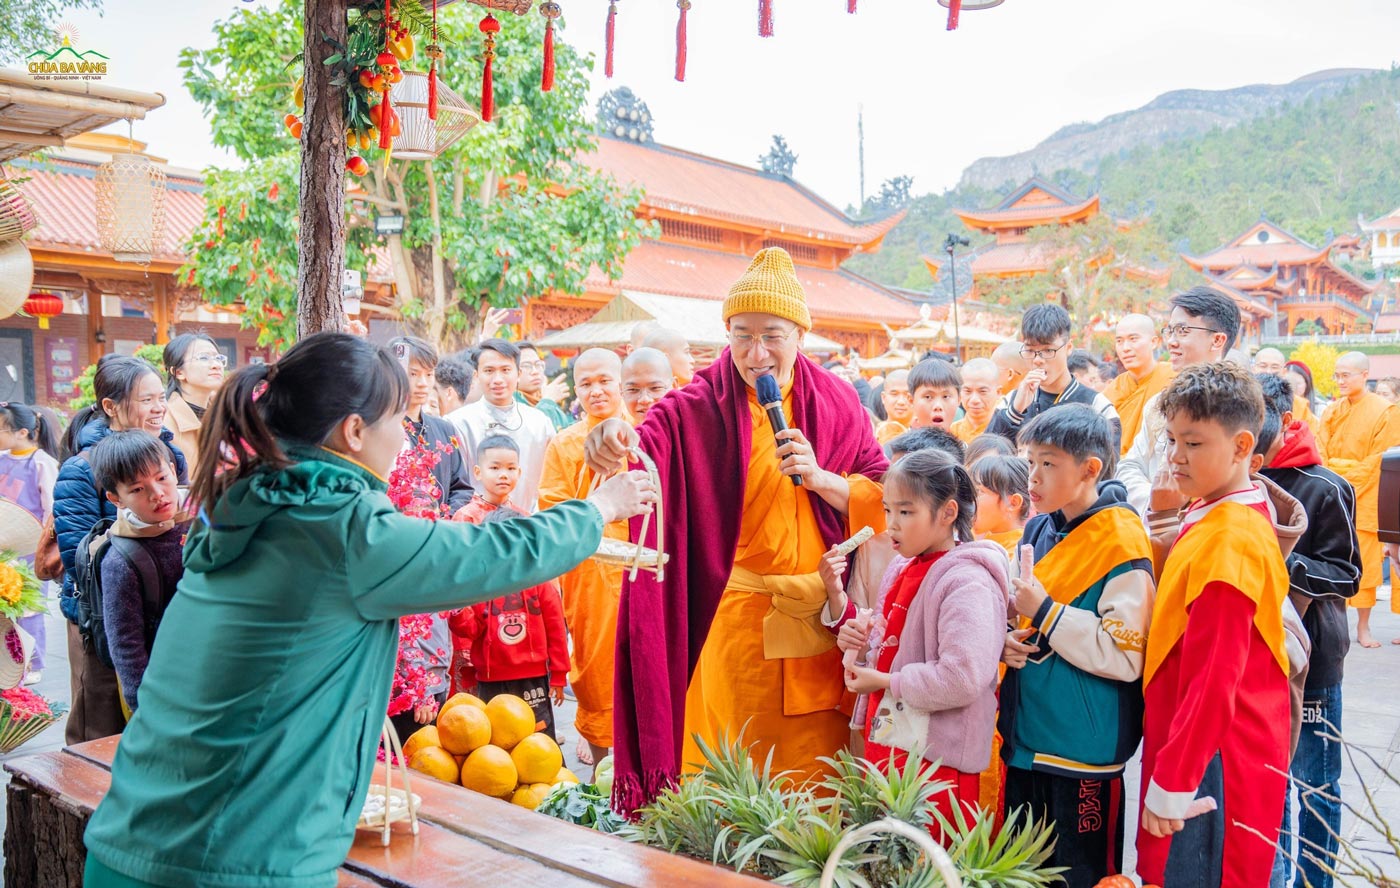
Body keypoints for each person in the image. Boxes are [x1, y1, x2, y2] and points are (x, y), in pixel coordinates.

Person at [82, 332, 655, 888]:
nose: (405, 440)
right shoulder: (337, 527)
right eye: (397, 421)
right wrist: (598, 507)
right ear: (355, 431)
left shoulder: (249, 501)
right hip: (229, 859)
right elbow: (488, 555)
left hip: (134, 839)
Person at [583, 247, 888, 812]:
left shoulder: (840, 403)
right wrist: (611, 442)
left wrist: (822, 479)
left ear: (800, 332)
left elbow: (886, 497)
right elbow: (645, 457)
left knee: (811, 793)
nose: (757, 353)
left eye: (772, 334)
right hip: (733, 624)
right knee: (727, 785)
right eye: (741, 334)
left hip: (819, 623)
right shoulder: (695, 407)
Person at [1135, 363, 1290, 888]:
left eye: (1194, 443)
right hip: (1201, 745)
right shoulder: (1217, 509)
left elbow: (1214, 679)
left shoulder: (1231, 538)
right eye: (1172, 439)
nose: (1175, 456)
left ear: (1242, 445)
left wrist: (1174, 779)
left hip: (1213, 757)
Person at [999, 405, 1154, 887]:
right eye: (1031, 462)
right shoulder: (1039, 527)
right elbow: (1023, 614)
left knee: (1083, 875)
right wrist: (1008, 641)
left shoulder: (1123, 540)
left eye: (1049, 463)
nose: (1034, 477)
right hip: (1027, 738)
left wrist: (1046, 611)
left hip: (1083, 748)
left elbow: (1126, 654)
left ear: (1090, 468)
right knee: (1019, 871)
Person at [831, 451, 1009, 828]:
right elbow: (890, 644)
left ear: (947, 513)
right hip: (892, 745)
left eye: (906, 512)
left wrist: (885, 682)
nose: (891, 525)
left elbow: (962, 677)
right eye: (887, 510)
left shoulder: (967, 581)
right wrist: (860, 644)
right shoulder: (902, 565)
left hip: (936, 763)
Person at [1252, 373, 1360, 888]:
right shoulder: (1236, 480)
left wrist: (1279, 566)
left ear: (1281, 422)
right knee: (1270, 785)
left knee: (1314, 783)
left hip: (1312, 655)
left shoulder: (1325, 486)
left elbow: (1349, 574)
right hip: (1257, 658)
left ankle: (1315, 880)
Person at [54, 356, 187, 745]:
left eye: (160, 397)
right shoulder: (82, 470)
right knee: (100, 727)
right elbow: (80, 560)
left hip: (165, 624)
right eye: (146, 400)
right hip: (103, 615)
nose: (159, 407)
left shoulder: (170, 455)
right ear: (111, 407)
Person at [538, 348, 631, 770]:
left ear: (621, 381)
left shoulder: (646, 433)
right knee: (594, 674)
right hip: (590, 578)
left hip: (645, 568)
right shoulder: (566, 443)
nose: (596, 391)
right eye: (586, 384)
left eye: (605, 381)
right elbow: (552, 510)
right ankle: (598, 776)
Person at [448, 505, 570, 742]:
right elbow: (471, 629)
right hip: (490, 679)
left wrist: (558, 674)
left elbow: (556, 629)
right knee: (494, 740)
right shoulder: (482, 584)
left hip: (532, 676)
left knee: (538, 735)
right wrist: (457, 608)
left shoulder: (540, 581)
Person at [88, 431, 190, 716]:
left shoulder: (207, 517)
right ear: (115, 498)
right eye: (137, 489)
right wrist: (144, 711)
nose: (157, 495)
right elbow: (126, 645)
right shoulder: (120, 561)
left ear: (173, 471)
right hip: (166, 688)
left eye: (161, 478)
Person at [1117, 287, 1240, 516]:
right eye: (1170, 331)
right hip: (1155, 523)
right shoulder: (1159, 403)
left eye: (1183, 331)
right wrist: (1158, 500)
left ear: (1217, 340)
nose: (1171, 342)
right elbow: (1129, 466)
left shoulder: (1240, 406)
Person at [1317, 351, 1400, 648]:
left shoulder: (1386, 411)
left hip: (1364, 497)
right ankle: (1333, 626)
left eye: (1346, 375)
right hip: (1331, 496)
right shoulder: (1330, 411)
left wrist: (1341, 475)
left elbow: (1378, 460)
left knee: (1364, 565)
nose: (1339, 381)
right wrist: (1333, 476)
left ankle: (1363, 627)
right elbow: (1321, 452)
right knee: (1329, 559)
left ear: (1364, 375)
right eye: (1336, 375)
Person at [987, 305, 1120, 449]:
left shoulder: (1098, 406)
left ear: (1068, 348)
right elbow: (986, 457)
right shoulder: (1011, 402)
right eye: (1030, 350)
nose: (1038, 359)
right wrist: (1015, 412)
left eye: (1048, 350)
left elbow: (1107, 467)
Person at [447, 338, 556, 514]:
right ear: (476, 375)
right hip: (476, 525)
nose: (498, 379)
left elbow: (551, 480)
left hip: (529, 522)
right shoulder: (458, 423)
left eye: (505, 370)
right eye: (489, 371)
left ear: (518, 373)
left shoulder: (540, 423)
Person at [0, 403, 61, 684]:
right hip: (4, 542)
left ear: (22, 432)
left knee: (29, 606)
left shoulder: (41, 463)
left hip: (30, 543)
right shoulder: (2, 458)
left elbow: (51, 505)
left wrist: (46, 543)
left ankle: (33, 661)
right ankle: (9, 662)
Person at [390, 336, 474, 518]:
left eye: (428, 374)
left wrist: (444, 519)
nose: (423, 383)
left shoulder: (445, 429)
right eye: (413, 374)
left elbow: (461, 488)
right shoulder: (381, 429)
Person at [1104, 313, 1174, 457]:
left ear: (1154, 342)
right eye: (1119, 341)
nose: (1125, 348)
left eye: (1133, 339)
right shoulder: (1113, 388)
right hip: (1116, 468)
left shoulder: (1173, 378)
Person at [161, 333, 226, 475]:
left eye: (218, 358)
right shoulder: (163, 422)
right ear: (178, 372)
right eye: (204, 358)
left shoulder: (226, 415)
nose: (216, 365)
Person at [971, 454, 1029, 560]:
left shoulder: (1018, 554)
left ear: (1013, 503)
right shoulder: (978, 538)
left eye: (979, 491)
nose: (969, 499)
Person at [516, 342, 574, 432]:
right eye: (526, 366)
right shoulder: (508, 403)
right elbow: (528, 433)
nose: (535, 371)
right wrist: (548, 401)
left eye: (538, 364)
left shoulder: (545, 398)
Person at [950, 358, 1000, 443]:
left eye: (982, 391)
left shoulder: (1006, 428)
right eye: (967, 391)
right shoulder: (953, 431)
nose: (974, 400)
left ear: (998, 392)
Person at [621, 347, 676, 422]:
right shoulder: (620, 431)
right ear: (621, 390)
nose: (644, 399)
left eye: (655, 388)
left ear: (674, 386)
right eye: (633, 389)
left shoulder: (688, 427)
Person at [909, 358, 961, 432]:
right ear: (911, 400)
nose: (938, 406)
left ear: (959, 400)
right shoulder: (899, 443)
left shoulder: (965, 442)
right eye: (928, 397)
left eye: (946, 397)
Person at [874, 369, 913, 444]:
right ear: (883, 398)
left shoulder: (926, 435)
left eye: (906, 394)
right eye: (894, 394)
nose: (901, 402)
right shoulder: (873, 435)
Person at [1284, 360, 1322, 434]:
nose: (1292, 387)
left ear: (1307, 383)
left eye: (1298, 383)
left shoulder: (1320, 408)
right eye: (1288, 383)